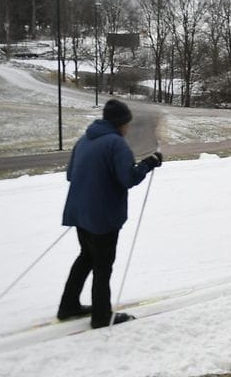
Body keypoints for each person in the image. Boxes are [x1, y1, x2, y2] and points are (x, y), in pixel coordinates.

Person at [59, 99, 163, 329]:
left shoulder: (85, 139)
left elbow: (70, 174)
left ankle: (68, 306)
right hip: (102, 217)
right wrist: (149, 163)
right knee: (103, 266)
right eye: (127, 123)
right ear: (121, 123)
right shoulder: (116, 144)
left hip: (79, 211)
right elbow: (128, 179)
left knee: (86, 256)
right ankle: (101, 316)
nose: (128, 127)